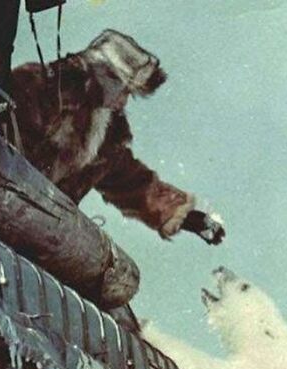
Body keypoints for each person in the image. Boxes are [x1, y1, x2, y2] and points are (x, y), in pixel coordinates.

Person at [12, 29, 224, 244]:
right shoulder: (36, 85)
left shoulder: (108, 135)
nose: (124, 102)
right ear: (106, 76)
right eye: (124, 91)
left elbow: (130, 183)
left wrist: (185, 216)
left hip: (33, 228)